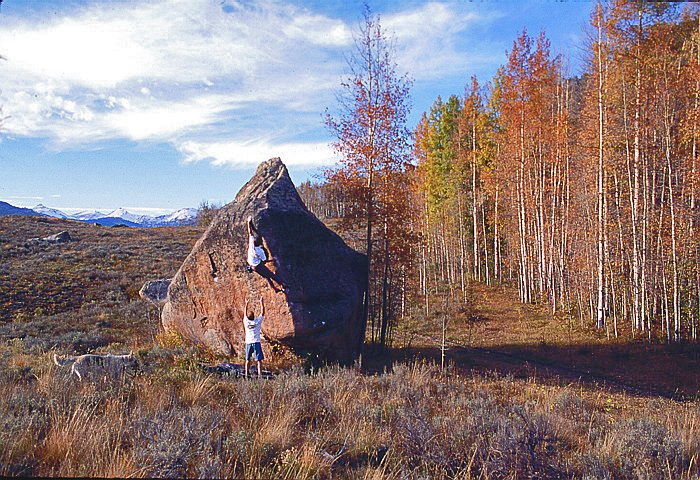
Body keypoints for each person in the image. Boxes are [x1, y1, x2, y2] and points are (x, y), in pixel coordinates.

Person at [246, 216, 286, 293]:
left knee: (266, 276)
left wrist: (249, 223)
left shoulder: (251, 244)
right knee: (271, 274)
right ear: (259, 243)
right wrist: (273, 259)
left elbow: (250, 232)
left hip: (251, 263)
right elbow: (265, 261)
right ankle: (283, 285)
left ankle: (274, 289)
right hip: (257, 265)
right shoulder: (259, 251)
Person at [243, 296, 265, 379]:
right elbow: (263, 313)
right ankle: (260, 376)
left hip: (248, 342)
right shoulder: (257, 322)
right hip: (256, 342)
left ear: (248, 318)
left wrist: (246, 304)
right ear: (253, 317)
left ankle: (246, 375)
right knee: (259, 360)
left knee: (247, 360)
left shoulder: (246, 322)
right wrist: (261, 302)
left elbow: (244, 314)